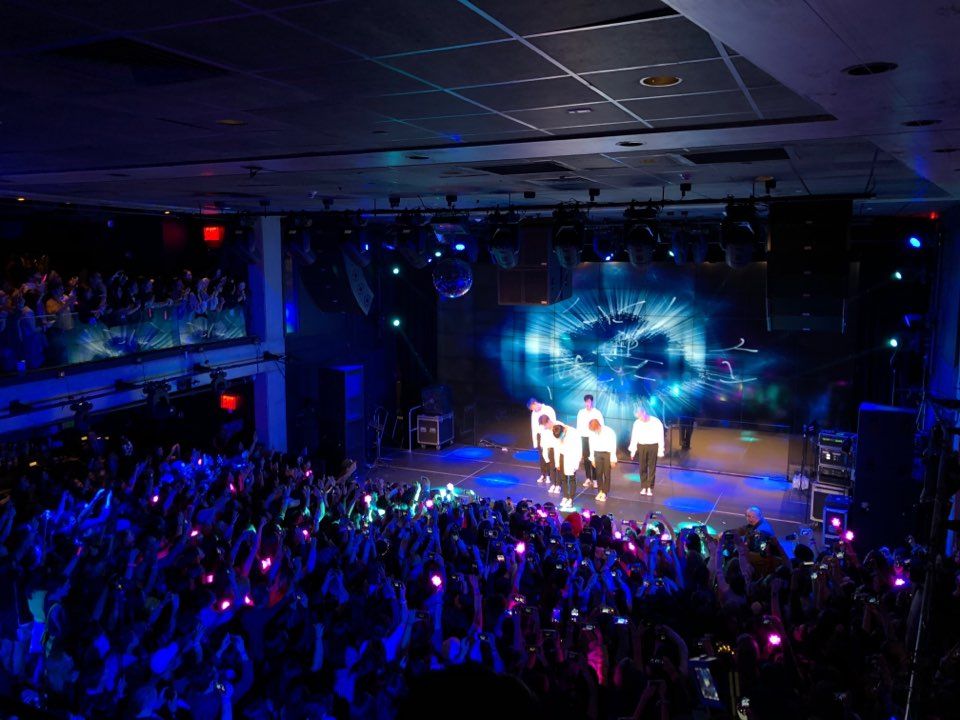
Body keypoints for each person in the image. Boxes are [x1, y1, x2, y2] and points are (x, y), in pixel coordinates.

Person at [628, 405, 664, 497]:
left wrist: (661, 450)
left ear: (644, 412)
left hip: (653, 446)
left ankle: (649, 487)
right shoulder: (637, 423)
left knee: (651, 467)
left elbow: (660, 436)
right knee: (642, 467)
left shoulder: (656, 422)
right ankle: (644, 486)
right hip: (642, 446)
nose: (639, 419)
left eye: (640, 416)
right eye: (638, 417)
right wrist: (633, 451)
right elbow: (634, 437)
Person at [576, 394, 603, 489]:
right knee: (586, 459)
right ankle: (588, 478)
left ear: (592, 402)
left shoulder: (597, 413)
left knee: (593, 458)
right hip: (584, 438)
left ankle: (595, 479)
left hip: (593, 438)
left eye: (589, 401)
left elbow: (601, 425)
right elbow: (578, 426)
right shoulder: (581, 412)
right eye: (586, 401)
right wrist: (578, 438)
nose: (587, 403)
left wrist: (599, 438)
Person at [552, 422, 581, 510]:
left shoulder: (574, 433)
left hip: (572, 457)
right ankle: (565, 496)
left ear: (564, 430)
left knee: (571, 478)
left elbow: (579, 449)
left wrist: (576, 463)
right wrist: (557, 462)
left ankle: (570, 498)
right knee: (563, 478)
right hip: (562, 456)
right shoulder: (557, 431)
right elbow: (556, 448)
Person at [586, 418, 617, 502]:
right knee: (598, 473)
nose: (594, 431)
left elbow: (613, 445)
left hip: (607, 454)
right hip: (597, 454)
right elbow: (591, 446)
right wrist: (592, 459)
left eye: (595, 429)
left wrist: (613, 459)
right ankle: (600, 491)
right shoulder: (592, 433)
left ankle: (605, 492)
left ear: (598, 426)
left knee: (606, 474)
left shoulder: (609, 431)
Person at [527, 398, 556, 484]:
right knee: (542, 456)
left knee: (549, 456)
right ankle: (543, 474)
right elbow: (534, 427)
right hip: (540, 436)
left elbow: (553, 423)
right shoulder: (534, 413)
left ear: (535, 403)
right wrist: (535, 442)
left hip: (548, 435)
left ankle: (549, 475)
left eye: (533, 408)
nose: (534, 410)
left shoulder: (548, 409)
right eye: (532, 409)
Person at [538, 415, 561, 495]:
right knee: (552, 467)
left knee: (558, 467)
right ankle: (553, 484)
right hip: (550, 449)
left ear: (548, 421)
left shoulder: (558, 424)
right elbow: (543, 442)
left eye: (545, 424)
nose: (544, 427)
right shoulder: (544, 430)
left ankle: (558, 485)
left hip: (559, 449)